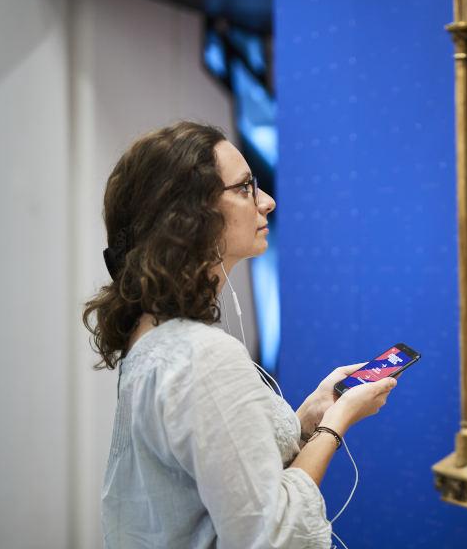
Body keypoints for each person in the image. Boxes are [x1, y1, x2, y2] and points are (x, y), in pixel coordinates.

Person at [83, 121, 396, 548]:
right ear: (190, 215)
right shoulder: (203, 356)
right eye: (245, 187)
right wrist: (338, 424)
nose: (267, 201)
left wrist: (308, 419)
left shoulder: (154, 338)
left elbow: (221, 476)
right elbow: (273, 536)